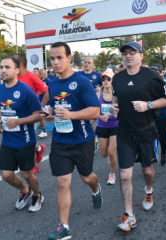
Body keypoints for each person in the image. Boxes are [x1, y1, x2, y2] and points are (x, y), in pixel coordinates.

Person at [110, 42, 166, 232]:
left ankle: (148, 191)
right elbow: (114, 101)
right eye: (124, 53)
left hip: (146, 131)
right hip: (125, 132)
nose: (128, 56)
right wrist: (113, 109)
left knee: (147, 171)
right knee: (124, 175)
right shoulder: (117, 78)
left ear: (141, 56)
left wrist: (149, 105)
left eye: (132, 53)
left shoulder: (152, 76)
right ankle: (129, 215)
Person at [43, 42, 102, 239]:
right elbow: (54, 104)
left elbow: (95, 110)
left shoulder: (82, 82)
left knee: (87, 177)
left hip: (82, 139)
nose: (55, 62)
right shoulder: (52, 83)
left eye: (59, 57)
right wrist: (49, 112)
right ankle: (64, 227)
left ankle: (95, 188)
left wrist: (71, 115)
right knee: (62, 182)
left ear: (69, 58)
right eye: (52, 58)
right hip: (60, 140)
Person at [0, 56, 44, 213]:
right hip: (8, 140)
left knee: (26, 174)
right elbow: (3, 110)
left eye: (7, 67)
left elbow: (38, 115)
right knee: (6, 175)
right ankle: (25, 191)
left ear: (16, 70)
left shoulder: (26, 91)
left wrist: (18, 121)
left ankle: (37, 195)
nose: (3, 70)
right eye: (1, 67)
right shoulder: (0, 89)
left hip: (25, 140)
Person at [13, 54, 48, 174]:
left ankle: (34, 165)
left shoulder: (31, 76)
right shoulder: (14, 77)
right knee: (23, 139)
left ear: (20, 64)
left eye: (13, 61)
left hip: (31, 115)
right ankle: (39, 148)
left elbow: (46, 91)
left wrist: (40, 109)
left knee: (27, 140)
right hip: (17, 114)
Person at [95, 69, 118, 185]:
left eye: (108, 78)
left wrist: (118, 113)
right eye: (103, 79)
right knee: (104, 154)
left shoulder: (117, 94)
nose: (105, 81)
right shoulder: (98, 94)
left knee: (111, 152)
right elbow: (92, 111)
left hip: (115, 125)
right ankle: (110, 156)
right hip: (102, 125)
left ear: (113, 80)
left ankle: (112, 175)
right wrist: (99, 116)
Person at [151, 64, 166, 166]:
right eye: (152, 71)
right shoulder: (144, 86)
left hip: (163, 116)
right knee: (149, 137)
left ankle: (163, 153)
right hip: (149, 117)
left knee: (162, 137)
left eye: (157, 71)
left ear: (161, 73)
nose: (154, 73)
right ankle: (150, 157)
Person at [79, 57, 102, 152]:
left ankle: (95, 139)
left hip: (92, 104)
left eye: (89, 62)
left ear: (93, 65)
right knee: (81, 124)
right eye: (85, 62)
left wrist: (101, 89)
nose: (87, 64)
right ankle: (83, 140)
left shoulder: (97, 75)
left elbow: (107, 84)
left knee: (90, 123)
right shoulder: (78, 74)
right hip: (81, 104)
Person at [37, 68, 51, 138]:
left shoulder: (48, 81)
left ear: (45, 74)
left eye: (40, 73)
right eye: (38, 73)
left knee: (53, 117)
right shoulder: (38, 81)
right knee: (41, 116)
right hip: (41, 102)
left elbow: (50, 91)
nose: (38, 75)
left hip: (49, 103)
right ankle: (44, 131)